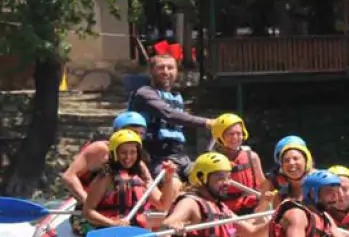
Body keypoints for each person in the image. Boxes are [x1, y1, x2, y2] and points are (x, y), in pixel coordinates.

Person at [127, 53, 214, 201]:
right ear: (151, 71)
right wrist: (207, 123)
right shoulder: (145, 93)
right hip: (156, 156)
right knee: (175, 189)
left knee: (209, 181)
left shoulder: (176, 96)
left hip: (180, 156)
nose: (166, 71)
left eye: (170, 67)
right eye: (161, 67)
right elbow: (168, 114)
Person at [81, 129, 176, 237]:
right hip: (113, 236)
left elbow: (162, 204)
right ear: (114, 153)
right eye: (123, 152)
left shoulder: (139, 174)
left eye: (132, 152)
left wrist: (169, 179)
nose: (128, 157)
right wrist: (113, 223)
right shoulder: (105, 175)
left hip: (138, 233)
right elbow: (88, 211)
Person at [62, 111, 149, 206]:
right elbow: (69, 177)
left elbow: (149, 184)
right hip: (90, 204)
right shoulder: (101, 150)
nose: (137, 137)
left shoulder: (136, 159)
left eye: (141, 134)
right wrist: (89, 204)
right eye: (133, 132)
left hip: (117, 208)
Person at [210, 113, 266, 215]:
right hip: (225, 213)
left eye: (239, 133)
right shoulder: (212, 161)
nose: (236, 137)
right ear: (220, 136)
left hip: (251, 209)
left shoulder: (252, 157)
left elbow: (263, 184)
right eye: (231, 134)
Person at [259, 136, 313, 207]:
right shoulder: (273, 182)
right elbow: (260, 212)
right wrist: (267, 202)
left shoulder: (318, 179)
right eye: (286, 160)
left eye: (295, 158)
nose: (291, 163)